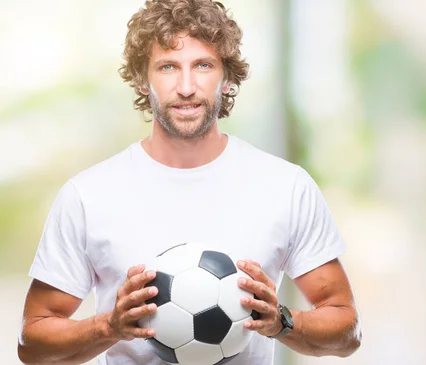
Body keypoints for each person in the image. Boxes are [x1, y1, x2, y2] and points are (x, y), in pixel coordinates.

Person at [17, 0, 361, 364]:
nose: (186, 87)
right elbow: (33, 344)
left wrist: (282, 321)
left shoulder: (286, 186)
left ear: (226, 77)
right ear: (142, 78)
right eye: (168, 66)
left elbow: (347, 331)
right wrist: (110, 326)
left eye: (203, 65)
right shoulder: (88, 195)